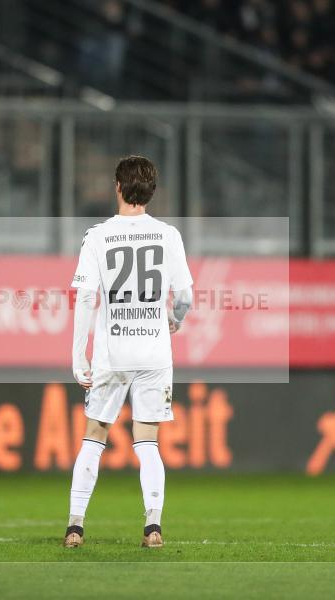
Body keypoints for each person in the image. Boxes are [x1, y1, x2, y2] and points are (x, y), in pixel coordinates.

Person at [64, 156, 193, 549]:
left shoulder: (98, 236)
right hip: (154, 354)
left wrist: (77, 354)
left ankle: (75, 527)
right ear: (152, 192)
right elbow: (186, 295)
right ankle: (153, 527)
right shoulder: (168, 235)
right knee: (148, 442)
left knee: (94, 437)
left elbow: (86, 297)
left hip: (112, 353)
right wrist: (176, 317)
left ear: (117, 188)